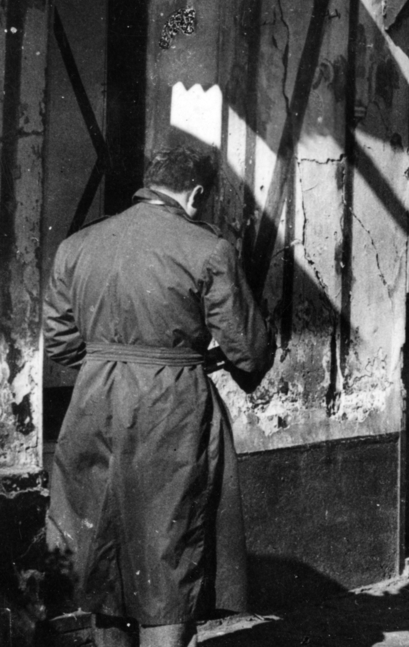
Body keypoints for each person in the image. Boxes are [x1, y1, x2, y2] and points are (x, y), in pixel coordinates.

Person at [45, 144, 273, 647]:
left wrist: (113, 365)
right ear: (195, 193)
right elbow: (250, 350)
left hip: (93, 403)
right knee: (169, 549)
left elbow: (60, 342)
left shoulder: (77, 245)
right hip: (171, 408)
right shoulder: (207, 248)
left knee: (100, 549)